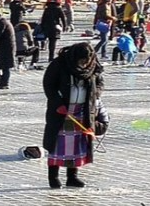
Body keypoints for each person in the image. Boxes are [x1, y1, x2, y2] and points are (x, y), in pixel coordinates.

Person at [42, 42, 105, 189]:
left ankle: (72, 177)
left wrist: (95, 94)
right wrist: (58, 104)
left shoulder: (94, 66)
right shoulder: (60, 64)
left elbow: (100, 83)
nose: (83, 65)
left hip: (82, 111)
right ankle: (54, 177)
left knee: (76, 146)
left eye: (86, 61)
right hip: (61, 112)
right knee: (57, 146)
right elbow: (49, 84)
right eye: (81, 61)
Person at [0, 13, 15, 89]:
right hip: (6, 45)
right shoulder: (3, 21)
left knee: (6, 65)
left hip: (7, 46)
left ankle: (5, 83)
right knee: (4, 65)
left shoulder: (2, 23)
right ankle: (3, 82)